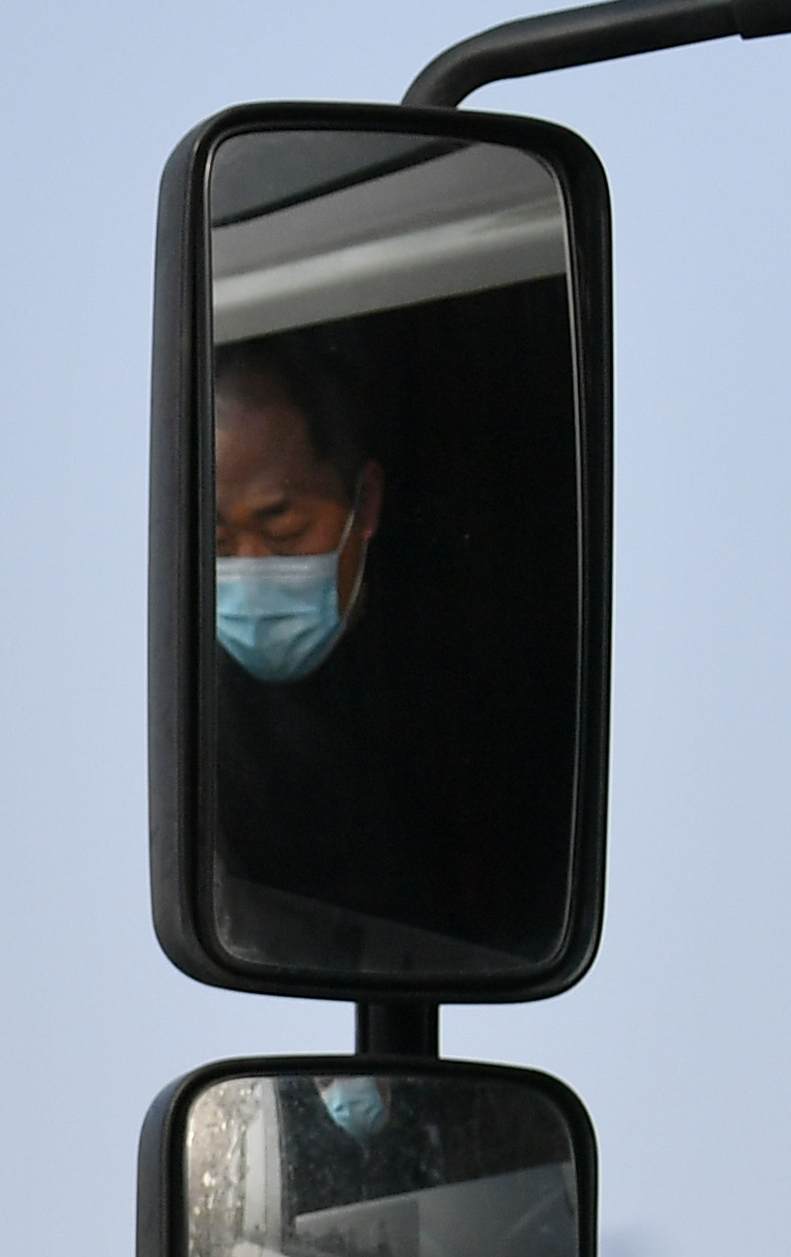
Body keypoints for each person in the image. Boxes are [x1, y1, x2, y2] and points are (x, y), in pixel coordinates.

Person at [200, 317, 582, 977]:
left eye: (283, 527)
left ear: (366, 502)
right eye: (218, 542)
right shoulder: (202, 713)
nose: (252, 567)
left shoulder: (472, 682)